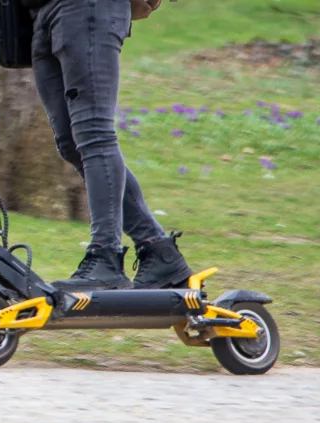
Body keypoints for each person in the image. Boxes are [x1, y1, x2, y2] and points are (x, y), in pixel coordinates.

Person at [22, 0, 193, 291]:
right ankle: (157, 250)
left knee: (94, 132)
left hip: (85, 8)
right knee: (71, 143)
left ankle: (105, 255)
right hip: (42, 13)